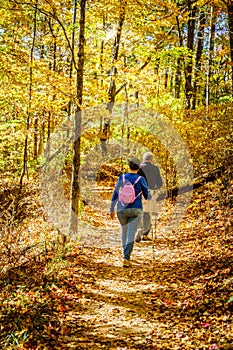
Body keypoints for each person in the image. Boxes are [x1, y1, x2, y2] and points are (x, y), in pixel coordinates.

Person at [110, 157, 151, 267]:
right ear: (138, 167)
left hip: (121, 209)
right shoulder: (141, 179)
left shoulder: (122, 178)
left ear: (129, 166)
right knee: (131, 233)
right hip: (136, 209)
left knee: (124, 230)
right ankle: (126, 257)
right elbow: (147, 196)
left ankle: (125, 254)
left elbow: (115, 194)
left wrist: (111, 209)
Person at [136, 151, 162, 242]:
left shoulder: (138, 168)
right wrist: (156, 187)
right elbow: (160, 182)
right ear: (151, 160)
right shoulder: (155, 169)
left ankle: (138, 229)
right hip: (150, 192)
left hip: (139, 192)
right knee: (148, 213)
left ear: (143, 159)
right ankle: (145, 233)